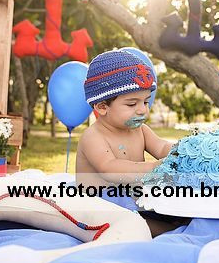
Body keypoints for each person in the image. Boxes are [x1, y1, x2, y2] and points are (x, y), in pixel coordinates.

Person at [76, 50, 186, 236]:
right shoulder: (93, 136)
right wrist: (154, 167)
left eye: (145, 102)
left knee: (179, 208)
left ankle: (175, 223)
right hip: (100, 204)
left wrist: (183, 151)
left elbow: (161, 147)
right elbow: (109, 168)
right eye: (132, 104)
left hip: (133, 197)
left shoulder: (140, 130)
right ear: (102, 107)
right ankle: (173, 230)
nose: (142, 110)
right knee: (138, 225)